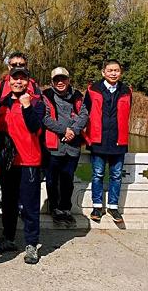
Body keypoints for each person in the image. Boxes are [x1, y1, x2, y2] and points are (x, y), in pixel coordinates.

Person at [0, 67, 45, 265]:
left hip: (29, 161)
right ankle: (8, 237)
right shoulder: (2, 103)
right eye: (14, 78)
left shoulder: (36, 102)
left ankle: (31, 244)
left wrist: (26, 107)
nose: (18, 82)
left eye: (22, 79)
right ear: (8, 81)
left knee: (30, 206)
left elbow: (35, 127)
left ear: (28, 81)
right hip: (9, 163)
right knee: (8, 203)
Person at [84, 59, 132, 224]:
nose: (113, 73)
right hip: (98, 139)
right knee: (97, 174)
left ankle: (113, 206)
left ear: (121, 72)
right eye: (110, 70)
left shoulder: (126, 91)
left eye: (116, 70)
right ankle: (97, 206)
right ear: (103, 72)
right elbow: (85, 112)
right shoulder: (93, 90)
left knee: (116, 175)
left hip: (118, 140)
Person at [42, 67, 88, 227]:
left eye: (63, 79)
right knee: (52, 180)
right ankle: (54, 208)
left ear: (69, 80)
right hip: (53, 145)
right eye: (57, 80)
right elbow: (45, 118)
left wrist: (73, 131)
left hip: (72, 145)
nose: (60, 82)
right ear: (52, 82)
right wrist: (64, 130)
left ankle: (66, 208)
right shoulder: (46, 95)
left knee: (68, 179)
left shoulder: (77, 96)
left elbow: (84, 115)